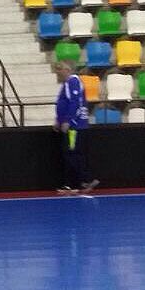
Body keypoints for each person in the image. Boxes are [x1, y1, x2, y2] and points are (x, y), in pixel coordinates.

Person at [53, 61, 98, 193]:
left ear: (66, 70)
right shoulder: (67, 84)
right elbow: (64, 103)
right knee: (70, 153)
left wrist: (68, 120)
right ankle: (73, 183)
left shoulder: (73, 82)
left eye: (58, 72)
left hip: (75, 127)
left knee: (72, 154)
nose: (57, 75)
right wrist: (58, 120)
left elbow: (75, 103)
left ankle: (84, 181)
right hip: (72, 125)